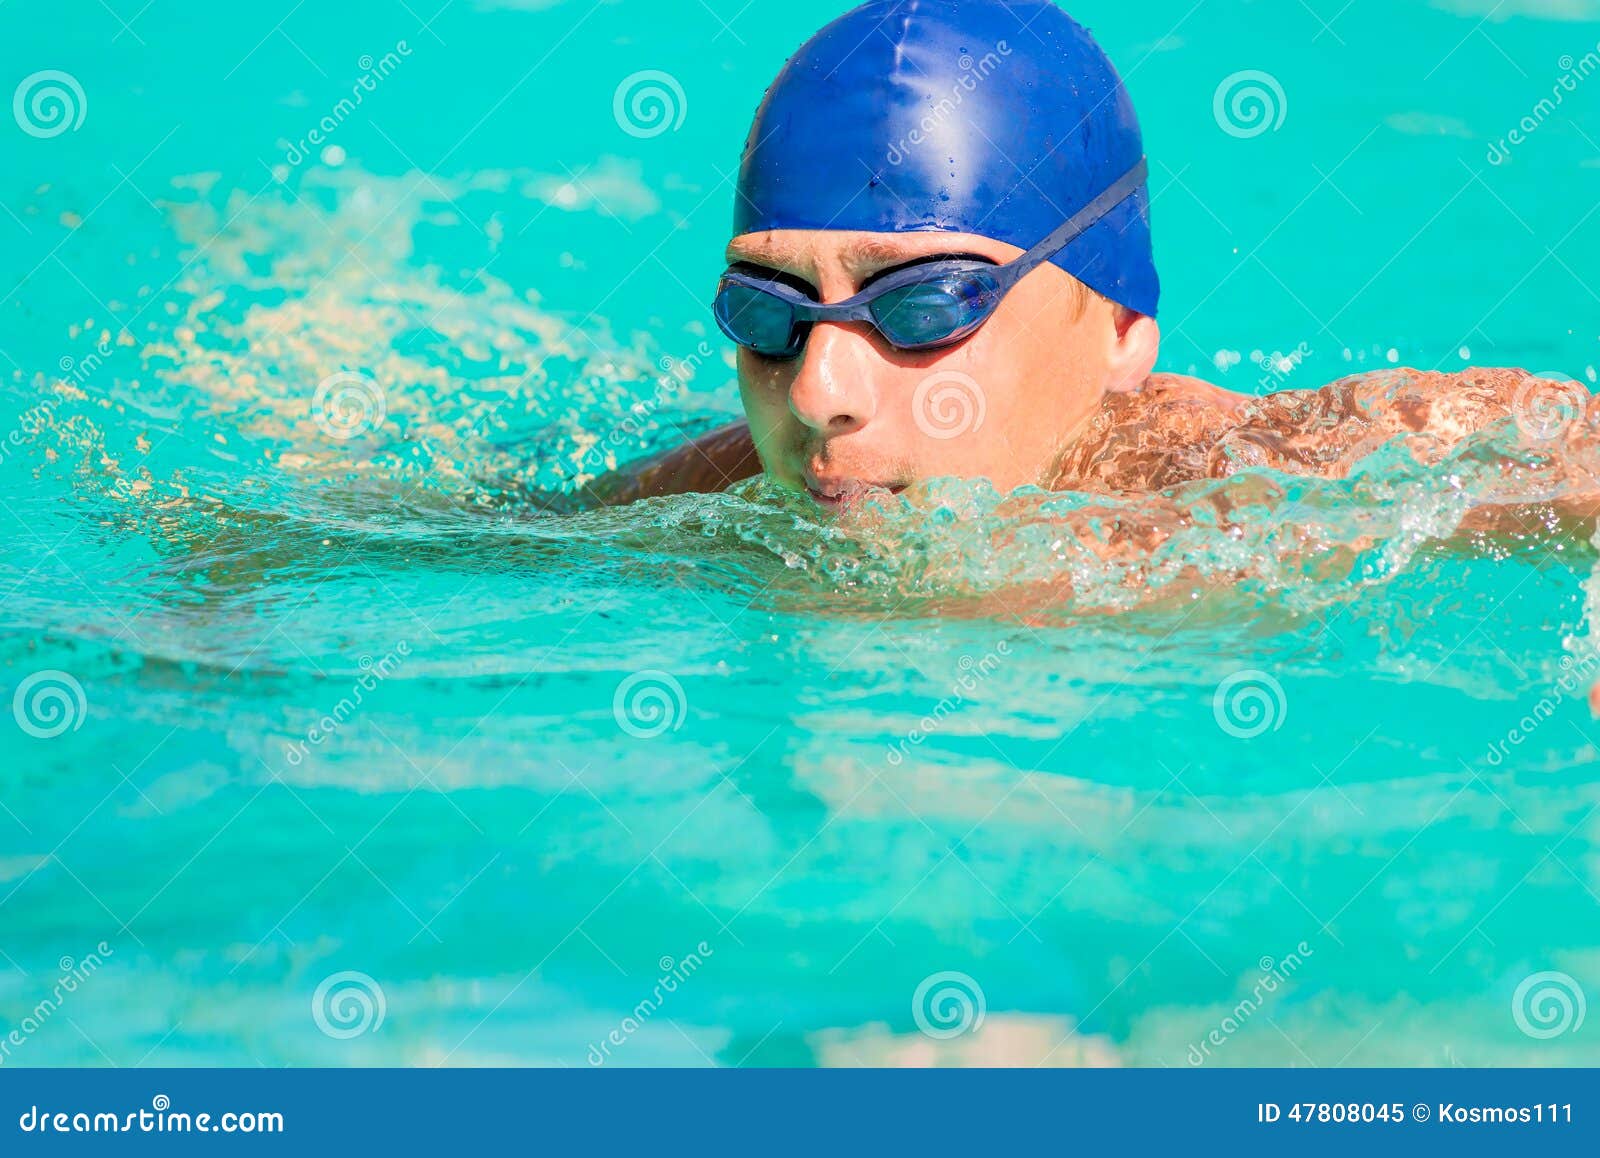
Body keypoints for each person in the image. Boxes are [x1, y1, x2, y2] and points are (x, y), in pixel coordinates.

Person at [593, 0, 1591, 515]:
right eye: (770, 313)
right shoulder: (686, 511)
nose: (817, 394)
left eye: (925, 305)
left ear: (1118, 328)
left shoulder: (1256, 489)